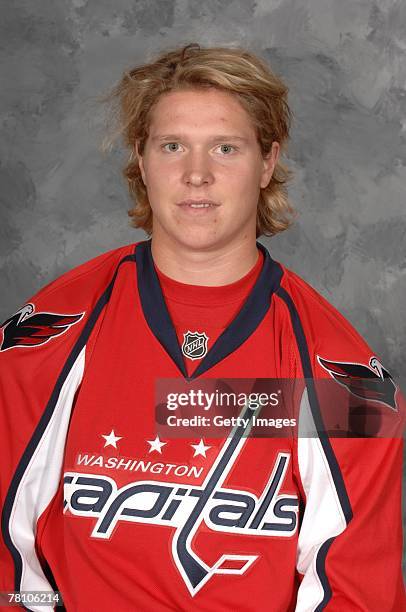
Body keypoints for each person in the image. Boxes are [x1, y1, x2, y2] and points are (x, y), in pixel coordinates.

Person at [0, 43, 404, 612]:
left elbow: (357, 590)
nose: (197, 175)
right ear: (141, 160)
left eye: (225, 148)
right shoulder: (49, 336)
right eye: (172, 147)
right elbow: (7, 559)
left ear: (267, 163)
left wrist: (198, 409)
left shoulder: (344, 380)